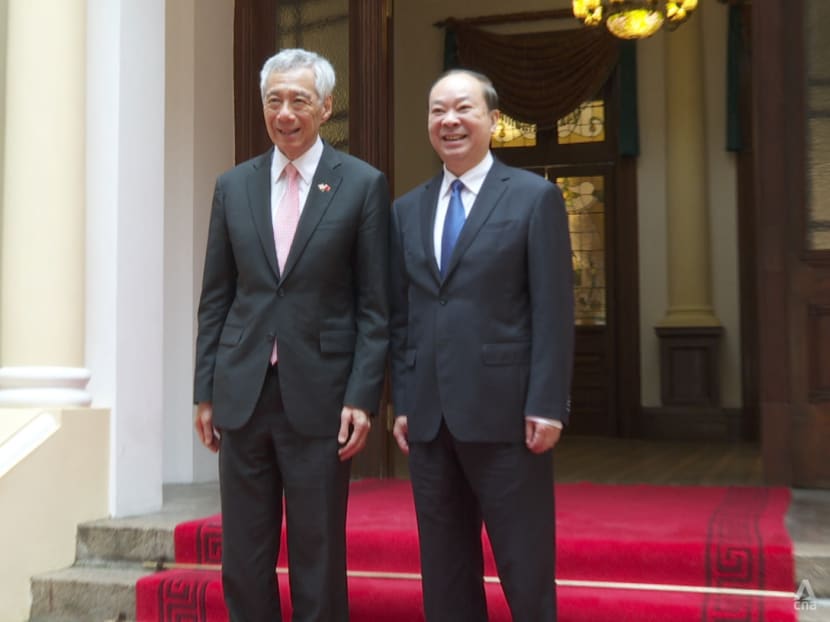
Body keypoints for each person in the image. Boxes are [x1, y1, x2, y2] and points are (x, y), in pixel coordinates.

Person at [193, 48, 389, 622]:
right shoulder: (234, 186)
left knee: (318, 548)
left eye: (299, 100)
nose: (285, 113)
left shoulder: (360, 184)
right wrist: (204, 389)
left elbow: (375, 307)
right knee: (243, 554)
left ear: (326, 107)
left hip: (322, 396)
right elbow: (216, 297)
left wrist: (361, 396)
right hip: (243, 392)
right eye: (274, 100)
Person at [389, 69, 574, 622]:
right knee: (443, 572)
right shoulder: (407, 210)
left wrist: (546, 402)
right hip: (428, 418)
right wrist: (403, 398)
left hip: (509, 414)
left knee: (525, 564)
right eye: (437, 110)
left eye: (463, 109)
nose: (449, 120)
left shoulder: (533, 198)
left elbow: (553, 309)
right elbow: (404, 315)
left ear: (494, 121)